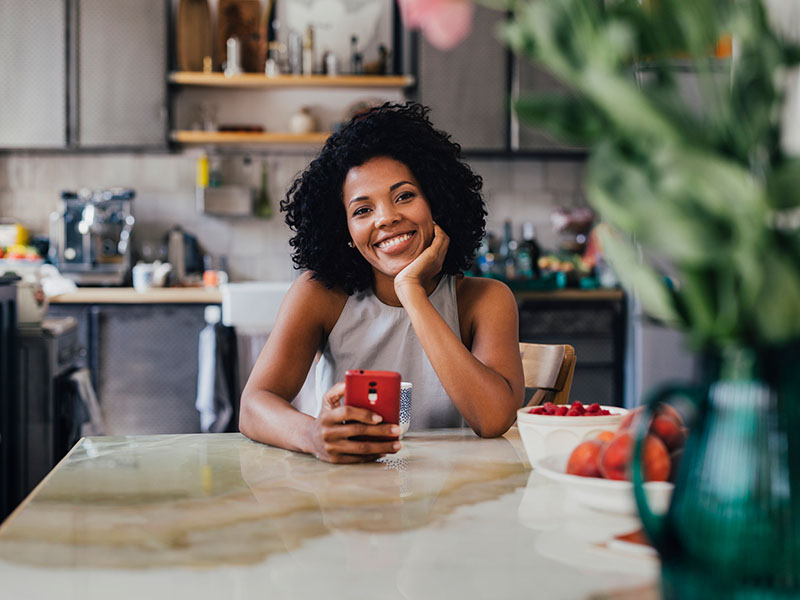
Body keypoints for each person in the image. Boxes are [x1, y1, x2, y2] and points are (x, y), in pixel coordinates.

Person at [239, 102, 524, 463]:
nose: (387, 218)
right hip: (351, 497)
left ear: (435, 202)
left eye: (404, 196)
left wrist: (412, 292)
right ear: (344, 230)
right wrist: (312, 435)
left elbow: (493, 418)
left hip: (456, 500)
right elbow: (253, 405)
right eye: (362, 210)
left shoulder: (486, 300)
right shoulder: (320, 295)